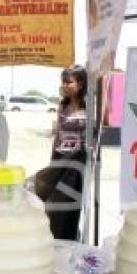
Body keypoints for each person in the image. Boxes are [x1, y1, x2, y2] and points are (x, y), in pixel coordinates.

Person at [44, 65, 88, 240]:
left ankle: (69, 240)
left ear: (81, 83)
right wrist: (52, 160)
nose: (65, 85)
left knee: (70, 205)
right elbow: (58, 134)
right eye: (63, 82)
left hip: (76, 163)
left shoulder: (90, 107)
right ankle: (57, 240)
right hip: (60, 160)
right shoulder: (63, 105)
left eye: (69, 82)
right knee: (55, 205)